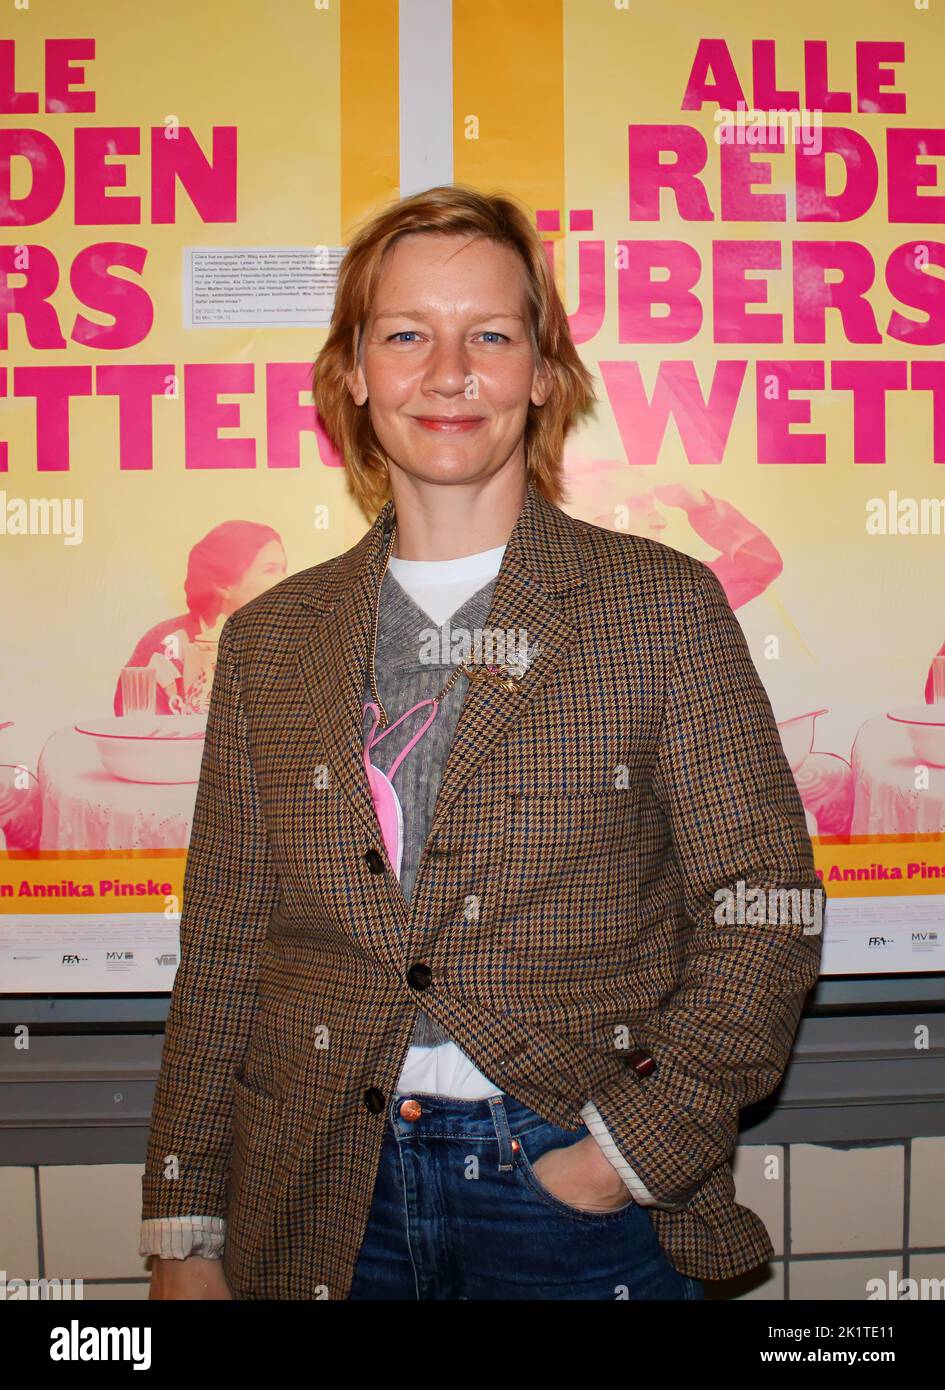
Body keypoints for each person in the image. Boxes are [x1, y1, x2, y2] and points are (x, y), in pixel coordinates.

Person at [140, 184, 824, 1301]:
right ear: (355, 372)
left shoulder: (660, 607)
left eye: (490, 336)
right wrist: (183, 1227)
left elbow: (765, 906)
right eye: (407, 334)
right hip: (318, 1192)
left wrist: (622, 1155)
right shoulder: (269, 642)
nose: (447, 372)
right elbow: (224, 943)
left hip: (568, 1190)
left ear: (543, 372)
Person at [113, 522, 287, 715]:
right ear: (224, 585)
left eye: (284, 569)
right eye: (270, 570)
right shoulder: (166, 643)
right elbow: (138, 728)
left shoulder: (288, 642)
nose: (286, 580)